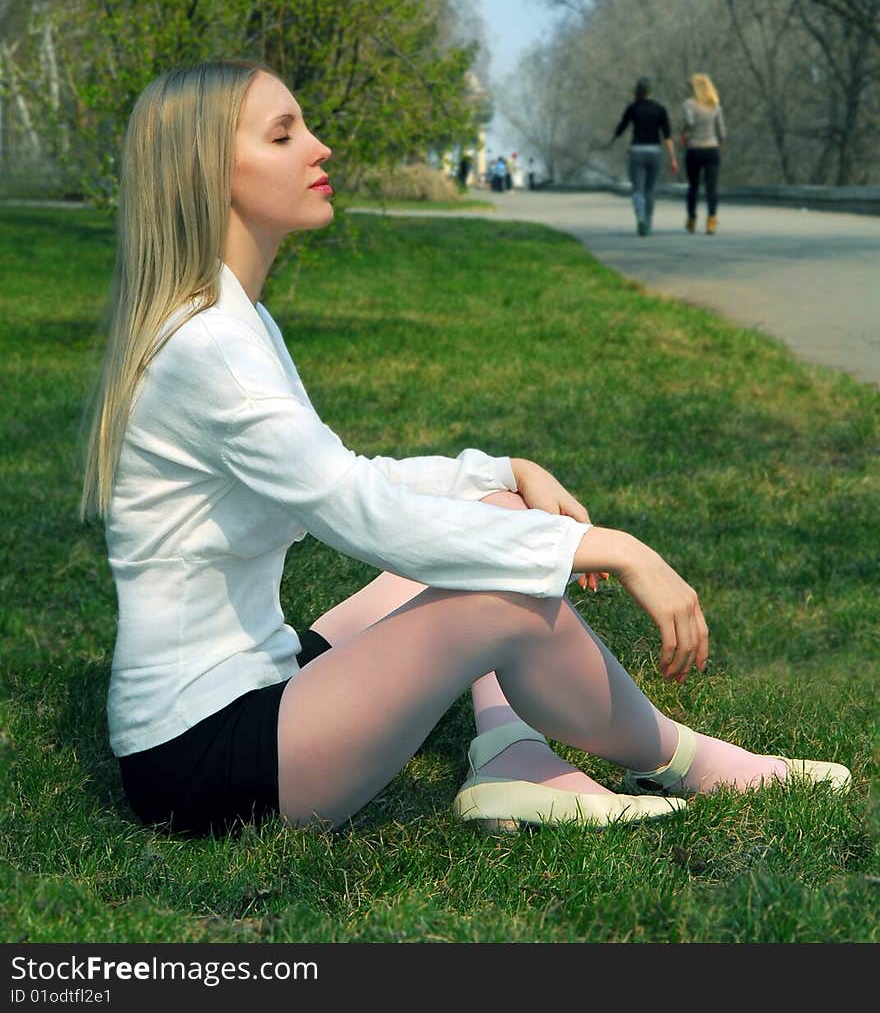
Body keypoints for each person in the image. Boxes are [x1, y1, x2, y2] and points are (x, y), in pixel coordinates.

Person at [81, 59, 851, 839]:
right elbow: (357, 509)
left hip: (267, 676)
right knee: (502, 588)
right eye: (285, 134)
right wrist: (605, 545)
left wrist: (499, 472)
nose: (321, 149)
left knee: (491, 516)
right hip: (203, 756)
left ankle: (509, 752)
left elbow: (348, 478)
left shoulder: (233, 317)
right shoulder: (210, 344)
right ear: (212, 174)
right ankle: (692, 761)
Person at [612, 76, 678, 235]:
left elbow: (621, 127)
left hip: (637, 152)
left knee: (638, 190)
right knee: (650, 190)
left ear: (637, 91)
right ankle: (647, 223)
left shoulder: (633, 108)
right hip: (655, 152)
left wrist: (615, 134)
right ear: (650, 91)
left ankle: (640, 218)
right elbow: (667, 137)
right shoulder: (660, 109)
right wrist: (673, 159)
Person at [680, 72, 726, 234]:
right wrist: (720, 145)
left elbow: (690, 122)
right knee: (711, 187)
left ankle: (692, 219)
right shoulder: (715, 104)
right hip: (711, 149)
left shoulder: (689, 104)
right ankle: (711, 220)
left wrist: (684, 133)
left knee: (693, 186)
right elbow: (722, 131)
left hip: (694, 149)